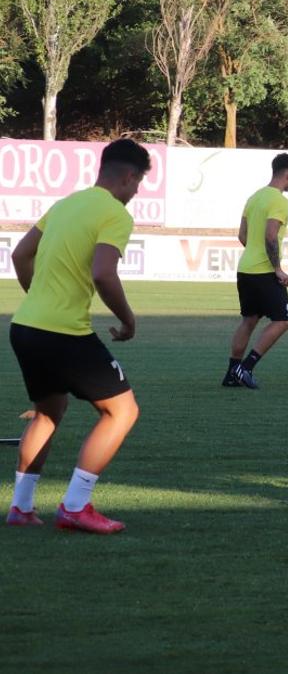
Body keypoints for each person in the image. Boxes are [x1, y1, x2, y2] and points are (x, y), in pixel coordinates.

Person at [6, 138, 150, 534]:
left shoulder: (66, 203)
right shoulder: (115, 214)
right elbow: (104, 273)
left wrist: (38, 297)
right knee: (122, 411)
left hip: (26, 327)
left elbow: (20, 255)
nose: (137, 191)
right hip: (63, 332)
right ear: (127, 176)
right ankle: (74, 505)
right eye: (138, 182)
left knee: (49, 413)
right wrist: (129, 320)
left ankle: (21, 507)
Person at [223, 153, 288, 389]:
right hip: (264, 271)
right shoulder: (279, 201)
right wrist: (277, 268)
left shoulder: (254, 197)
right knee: (282, 321)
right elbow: (270, 235)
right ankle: (245, 368)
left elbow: (242, 236)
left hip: (245, 268)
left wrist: (255, 253)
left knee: (249, 320)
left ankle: (230, 374)